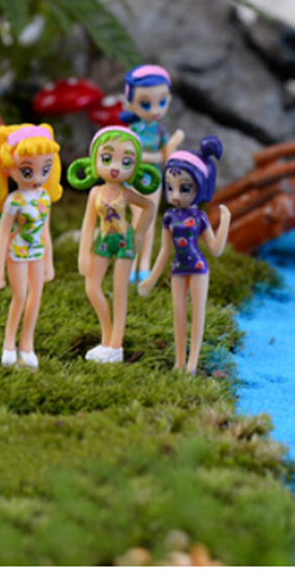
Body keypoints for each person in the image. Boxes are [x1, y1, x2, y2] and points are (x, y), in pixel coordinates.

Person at [67, 126, 160, 362]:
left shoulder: (126, 193)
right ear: (94, 160)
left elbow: (149, 206)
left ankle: (115, 346)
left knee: (120, 292)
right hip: (103, 241)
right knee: (92, 287)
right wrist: (83, 255)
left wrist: (139, 234)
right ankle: (106, 337)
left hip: (123, 241)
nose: (116, 167)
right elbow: (88, 225)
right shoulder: (95, 193)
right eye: (107, 158)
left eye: (126, 162)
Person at [139, 136, 231, 374]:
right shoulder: (169, 217)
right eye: (170, 187)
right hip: (178, 269)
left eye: (184, 188)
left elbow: (215, 249)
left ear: (200, 187)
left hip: (199, 268)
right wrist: (151, 279)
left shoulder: (200, 217)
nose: (176, 195)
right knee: (179, 315)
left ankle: (192, 363)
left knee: (197, 315)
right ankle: (179, 361)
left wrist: (225, 222)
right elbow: (164, 251)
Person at [0, 124, 62, 368]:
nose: (38, 178)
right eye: (27, 171)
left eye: (45, 169)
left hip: (37, 253)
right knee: (20, 296)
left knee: (36, 296)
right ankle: (9, 343)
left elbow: (45, 232)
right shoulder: (13, 201)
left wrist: (49, 262)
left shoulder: (44, 198)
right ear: (9, 168)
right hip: (17, 252)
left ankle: (27, 344)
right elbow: (2, 235)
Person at [120, 64, 184, 282]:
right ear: (130, 103)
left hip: (154, 180)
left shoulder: (160, 131)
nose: (155, 109)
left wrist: (173, 143)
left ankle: (145, 264)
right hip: (134, 179)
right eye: (146, 104)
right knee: (137, 220)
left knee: (150, 221)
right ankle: (131, 262)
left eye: (162, 102)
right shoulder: (133, 130)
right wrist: (153, 156)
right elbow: (132, 156)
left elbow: (166, 157)